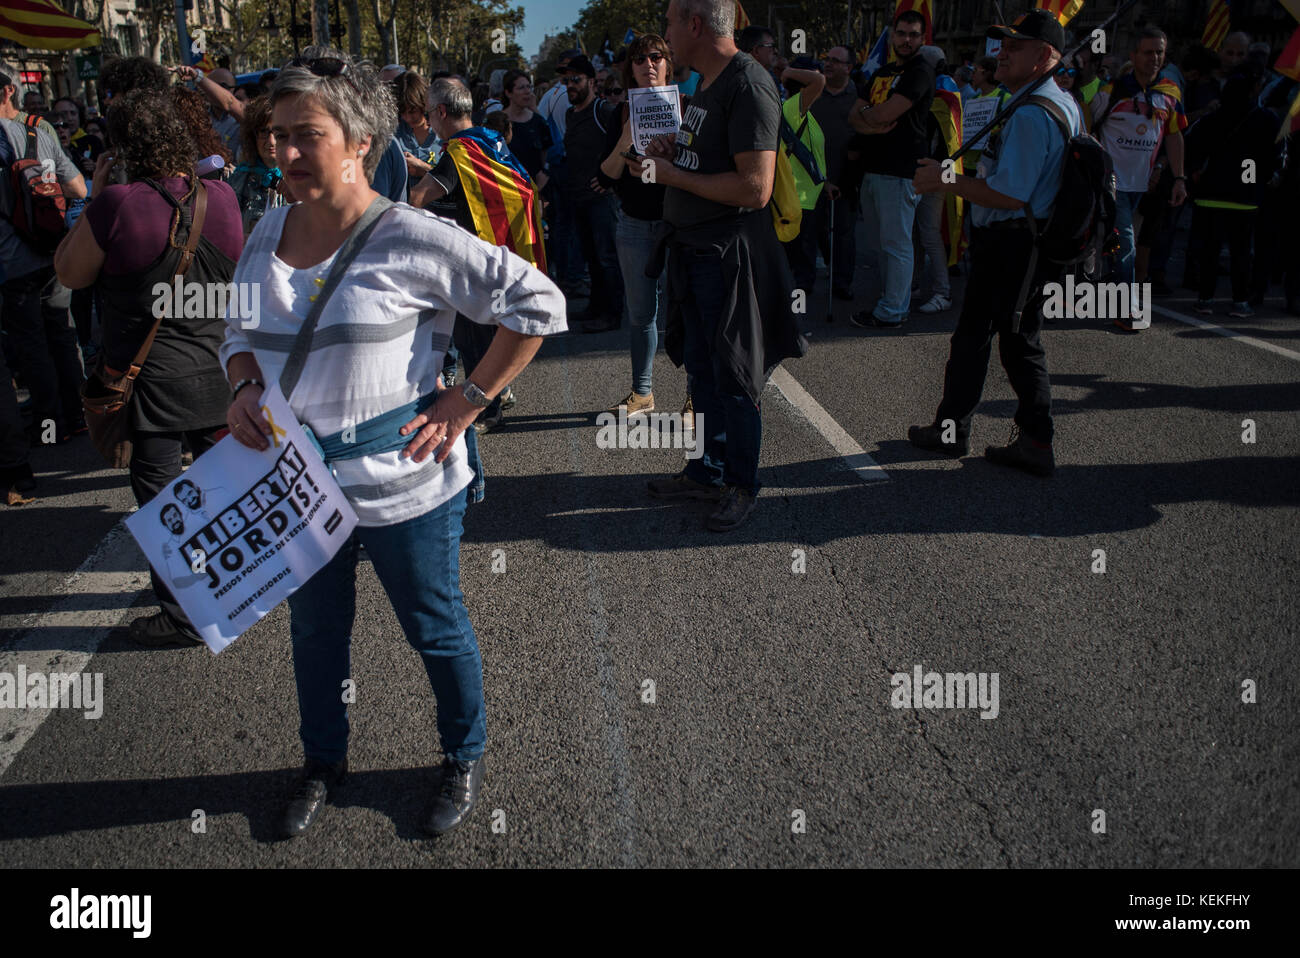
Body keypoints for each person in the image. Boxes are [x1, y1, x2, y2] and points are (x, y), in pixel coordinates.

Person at [220, 49, 564, 838]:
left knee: (432, 625)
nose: (287, 153)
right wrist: (243, 384)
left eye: (307, 135)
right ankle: (323, 761)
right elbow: (237, 329)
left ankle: (461, 754)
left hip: (404, 480)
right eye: (278, 136)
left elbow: (536, 302)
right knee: (313, 632)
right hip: (296, 486)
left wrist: (467, 398)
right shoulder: (264, 228)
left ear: (360, 141)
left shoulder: (412, 235)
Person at [52, 88, 241, 643]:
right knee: (223, 492)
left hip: (151, 382)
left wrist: (99, 194)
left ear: (123, 145)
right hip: (219, 373)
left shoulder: (118, 204)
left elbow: (68, 273)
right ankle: (232, 593)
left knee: (165, 505)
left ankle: (183, 618)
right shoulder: (223, 199)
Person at [641, 0, 805, 532]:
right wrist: (676, 152)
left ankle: (741, 483)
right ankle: (706, 471)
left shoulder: (748, 83)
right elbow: (706, 161)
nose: (664, 34)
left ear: (694, 25)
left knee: (734, 375)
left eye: (669, 22)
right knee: (702, 371)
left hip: (728, 256)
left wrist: (671, 175)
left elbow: (754, 189)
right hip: (694, 253)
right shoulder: (706, 85)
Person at [907, 8, 1078, 479]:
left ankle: (1034, 441)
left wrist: (945, 180)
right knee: (978, 337)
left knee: (1016, 342)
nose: (1002, 52)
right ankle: (954, 429)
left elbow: (1010, 192)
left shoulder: (1032, 113)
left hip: (1014, 242)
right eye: (1003, 44)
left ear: (1045, 56)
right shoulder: (1054, 99)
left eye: (1016, 46)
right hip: (1022, 242)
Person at [1, 81, 88, 497]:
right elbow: (78, 189)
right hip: (53, 253)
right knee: (63, 333)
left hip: (10, 261)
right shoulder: (41, 130)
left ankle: (51, 431)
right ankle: (79, 417)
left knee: (32, 348)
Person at [596, 33, 673, 417]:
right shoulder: (619, 112)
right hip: (633, 224)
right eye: (640, 60)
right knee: (642, 315)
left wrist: (666, 161)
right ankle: (642, 394)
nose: (648, 65)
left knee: (684, 313)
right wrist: (626, 139)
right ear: (631, 70)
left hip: (677, 224)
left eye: (656, 57)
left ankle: (696, 398)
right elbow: (607, 174)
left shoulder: (687, 106)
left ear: (667, 63)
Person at [1091, 26, 1188, 331]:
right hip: (1112, 184)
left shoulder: (1170, 92)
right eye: (1148, 52)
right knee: (1127, 243)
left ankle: (1108, 287)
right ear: (1133, 56)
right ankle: (1124, 309)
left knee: (1118, 243)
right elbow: (1085, 128)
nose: (1155, 58)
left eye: (1160, 52)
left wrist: (1178, 178)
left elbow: (1174, 137)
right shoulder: (1110, 91)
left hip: (1144, 185)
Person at [848, 6, 935, 328]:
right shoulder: (881, 72)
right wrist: (870, 122)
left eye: (914, 35)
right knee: (881, 244)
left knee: (896, 245)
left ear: (922, 39)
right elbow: (854, 116)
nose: (907, 40)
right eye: (901, 33)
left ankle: (893, 311)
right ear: (892, 35)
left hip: (901, 170)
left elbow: (883, 114)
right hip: (874, 168)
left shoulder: (921, 70)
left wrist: (868, 117)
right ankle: (891, 299)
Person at [1185, 65, 1281, 317]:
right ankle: (1240, 301)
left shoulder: (1212, 119)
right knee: (1241, 252)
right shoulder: (1266, 120)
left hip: (1211, 193)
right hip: (1245, 195)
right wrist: (1264, 178)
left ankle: (1205, 299)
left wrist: (1195, 173)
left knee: (1210, 250)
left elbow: (1192, 147)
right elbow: (1274, 155)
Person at [561, 54, 624, 332]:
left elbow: (625, 142)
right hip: (579, 199)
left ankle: (612, 314)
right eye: (566, 81)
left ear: (590, 81)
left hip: (602, 200)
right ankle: (595, 307)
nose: (570, 85)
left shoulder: (603, 111)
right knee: (591, 256)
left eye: (576, 79)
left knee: (607, 257)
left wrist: (610, 179)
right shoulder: (569, 113)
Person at [809, 46, 861, 301]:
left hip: (846, 177)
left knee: (844, 231)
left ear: (848, 67)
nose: (828, 64)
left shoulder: (858, 97)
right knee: (820, 229)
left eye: (835, 61)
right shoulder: (814, 94)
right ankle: (830, 266)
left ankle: (842, 281)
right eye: (826, 59)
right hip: (816, 177)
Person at [776, 57, 827, 300]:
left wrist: (827, 183)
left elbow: (811, 155)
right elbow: (819, 81)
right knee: (797, 269)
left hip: (809, 197)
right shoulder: (793, 107)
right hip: (796, 199)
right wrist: (787, 70)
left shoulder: (806, 111)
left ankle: (794, 323)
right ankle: (792, 325)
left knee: (802, 264)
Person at [227, 94, 287, 236]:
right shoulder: (241, 178)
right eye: (264, 132)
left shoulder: (301, 177)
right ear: (253, 135)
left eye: (277, 133)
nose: (271, 141)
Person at [500, 69, 551, 186]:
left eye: (529, 87)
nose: (527, 91)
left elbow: (544, 156)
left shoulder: (538, 122)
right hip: (509, 189)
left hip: (536, 190)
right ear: (508, 93)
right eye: (521, 88)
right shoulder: (498, 122)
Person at [394, 70, 438, 182]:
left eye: (413, 111)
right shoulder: (394, 135)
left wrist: (424, 168)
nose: (408, 118)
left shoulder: (444, 132)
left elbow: (457, 180)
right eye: (402, 112)